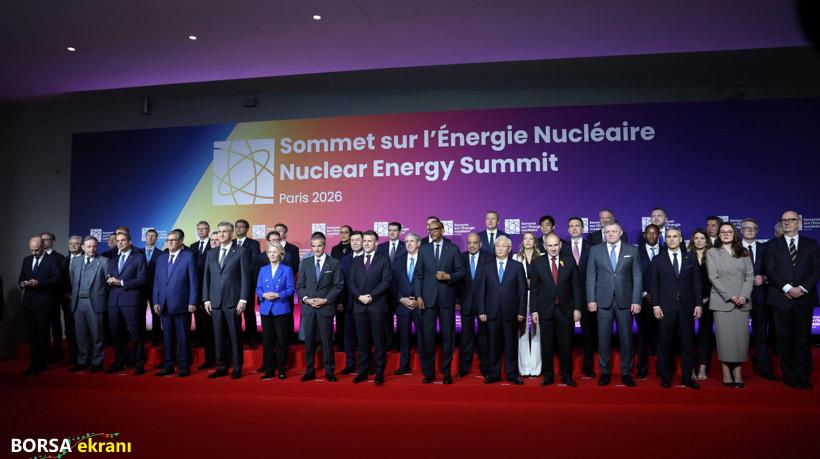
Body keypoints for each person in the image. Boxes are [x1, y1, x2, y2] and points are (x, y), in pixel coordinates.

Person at [765, 210, 820, 389]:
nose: (787, 222)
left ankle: (803, 378)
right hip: (781, 299)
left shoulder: (811, 244)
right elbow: (770, 270)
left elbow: (816, 270)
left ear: (799, 222)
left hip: (805, 299)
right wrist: (787, 288)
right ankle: (790, 378)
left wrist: (801, 289)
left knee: (803, 339)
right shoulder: (772, 245)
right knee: (784, 339)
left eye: (791, 219)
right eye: (784, 220)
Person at [586, 222, 642, 386]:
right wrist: (591, 299)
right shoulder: (595, 250)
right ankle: (605, 372)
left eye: (613, 231)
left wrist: (636, 300)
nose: (610, 234)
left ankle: (626, 373)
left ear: (620, 232)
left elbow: (637, 276)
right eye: (607, 231)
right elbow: (591, 276)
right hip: (603, 301)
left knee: (626, 339)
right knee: (603, 339)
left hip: (625, 301)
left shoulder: (632, 250)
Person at [414, 219, 466, 384]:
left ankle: (446, 373)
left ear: (442, 230)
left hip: (446, 299)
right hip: (427, 300)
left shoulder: (453, 249)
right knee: (428, 337)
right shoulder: (424, 249)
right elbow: (418, 275)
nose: (432, 232)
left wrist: (448, 276)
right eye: (429, 230)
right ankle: (429, 373)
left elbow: (461, 272)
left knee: (448, 338)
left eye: (435, 229)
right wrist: (418, 296)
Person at [649, 228, 702, 389]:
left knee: (687, 343)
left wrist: (698, 304)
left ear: (680, 239)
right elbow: (654, 284)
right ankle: (665, 377)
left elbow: (697, 283)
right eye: (669, 237)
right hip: (665, 307)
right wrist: (655, 305)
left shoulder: (690, 257)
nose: (671, 239)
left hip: (687, 307)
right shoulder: (658, 259)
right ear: (665, 240)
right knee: (665, 343)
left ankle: (687, 378)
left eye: (675, 236)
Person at [531, 233, 583, 386]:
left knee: (566, 344)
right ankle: (548, 375)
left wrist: (577, 308)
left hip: (566, 310)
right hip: (545, 310)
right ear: (545, 246)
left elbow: (576, 286)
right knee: (547, 344)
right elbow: (534, 288)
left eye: (555, 245)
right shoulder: (537, 262)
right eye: (550, 245)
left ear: (560, 245)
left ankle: (566, 375)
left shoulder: (569, 260)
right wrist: (534, 310)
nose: (553, 248)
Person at [707, 222, 753, 388]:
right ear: (719, 235)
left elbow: (749, 276)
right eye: (722, 232)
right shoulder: (712, 252)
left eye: (729, 231)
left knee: (741, 339)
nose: (726, 234)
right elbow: (713, 277)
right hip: (722, 302)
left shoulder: (744, 252)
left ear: (734, 234)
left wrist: (744, 296)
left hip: (742, 303)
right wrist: (730, 297)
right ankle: (726, 371)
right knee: (724, 340)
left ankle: (738, 372)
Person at [203, 222, 250, 380]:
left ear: (231, 234)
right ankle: (222, 366)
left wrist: (243, 299)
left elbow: (246, 277)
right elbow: (206, 278)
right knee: (218, 336)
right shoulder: (211, 253)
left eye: (225, 231)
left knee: (235, 337)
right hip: (215, 302)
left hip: (233, 301)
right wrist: (206, 299)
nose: (221, 234)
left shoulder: (241, 252)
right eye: (219, 231)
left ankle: (237, 367)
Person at [478, 235, 527, 385]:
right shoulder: (487, 267)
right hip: (491, 313)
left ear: (509, 249)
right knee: (493, 345)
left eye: (503, 246)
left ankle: (512, 374)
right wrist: (482, 311)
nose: (499, 249)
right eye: (497, 246)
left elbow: (522, 291)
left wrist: (521, 312)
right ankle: (494, 374)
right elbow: (482, 291)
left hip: (510, 313)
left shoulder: (517, 266)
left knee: (511, 345)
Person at [297, 233, 344, 382]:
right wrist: (306, 299)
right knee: (309, 341)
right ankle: (310, 370)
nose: (317, 248)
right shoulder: (305, 262)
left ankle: (329, 371)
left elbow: (338, 285)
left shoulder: (334, 263)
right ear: (311, 247)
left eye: (319, 245)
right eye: (314, 246)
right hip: (309, 308)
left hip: (325, 307)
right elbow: (300, 286)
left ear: (324, 246)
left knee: (327, 341)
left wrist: (325, 300)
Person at [152, 230, 199, 377]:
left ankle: (184, 366)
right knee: (167, 338)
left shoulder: (188, 256)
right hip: (164, 304)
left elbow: (193, 281)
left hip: (182, 304)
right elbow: (157, 282)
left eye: (173, 240)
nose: (170, 242)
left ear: (180, 241)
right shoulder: (161, 258)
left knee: (183, 337)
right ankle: (168, 366)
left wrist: (192, 301)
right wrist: (156, 301)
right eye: (168, 240)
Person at [349, 231, 393, 385]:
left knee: (379, 341)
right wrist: (359, 297)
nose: (366, 243)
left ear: (376, 243)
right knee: (362, 342)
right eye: (365, 241)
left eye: (369, 241)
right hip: (360, 306)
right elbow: (351, 282)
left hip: (377, 306)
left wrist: (371, 296)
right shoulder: (356, 260)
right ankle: (363, 371)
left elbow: (386, 281)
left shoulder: (384, 259)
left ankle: (379, 373)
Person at [105, 232, 148, 375]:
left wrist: (122, 282)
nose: (120, 243)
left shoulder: (139, 257)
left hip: (131, 300)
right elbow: (109, 277)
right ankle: (119, 361)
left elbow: (142, 279)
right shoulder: (113, 260)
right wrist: (109, 280)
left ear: (129, 242)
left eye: (123, 240)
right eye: (118, 241)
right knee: (116, 333)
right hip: (114, 301)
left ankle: (139, 363)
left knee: (136, 333)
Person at [18, 236, 61, 375]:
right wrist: (22, 283)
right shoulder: (26, 260)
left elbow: (56, 279)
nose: (34, 253)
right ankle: (33, 363)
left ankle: (42, 364)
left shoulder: (52, 260)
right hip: (28, 304)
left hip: (43, 304)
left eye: (36, 250)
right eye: (32, 250)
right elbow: (21, 277)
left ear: (43, 246)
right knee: (31, 336)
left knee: (43, 335)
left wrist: (39, 283)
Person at [741, 218, 776, 381]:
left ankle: (764, 368)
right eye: (746, 228)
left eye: (753, 228)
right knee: (738, 335)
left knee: (761, 334)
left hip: (760, 298)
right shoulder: (733, 248)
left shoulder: (765, 248)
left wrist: (765, 277)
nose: (749, 230)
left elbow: (774, 269)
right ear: (741, 230)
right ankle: (737, 370)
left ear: (757, 231)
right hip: (738, 298)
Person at [68, 236, 108, 373]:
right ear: (83, 247)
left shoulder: (103, 261)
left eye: (94, 246)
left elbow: (108, 284)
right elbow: (73, 280)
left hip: (95, 303)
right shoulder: (76, 261)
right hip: (78, 302)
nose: (92, 249)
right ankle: (82, 361)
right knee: (81, 335)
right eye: (89, 246)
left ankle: (97, 362)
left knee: (97, 335)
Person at [561, 217, 595, 377]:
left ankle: (588, 368)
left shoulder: (592, 247)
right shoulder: (562, 248)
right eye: (571, 226)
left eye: (577, 226)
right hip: (567, 299)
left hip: (587, 297)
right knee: (566, 336)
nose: (574, 228)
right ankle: (566, 370)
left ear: (583, 228)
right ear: (568, 229)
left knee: (588, 335)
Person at [455, 233, 492, 378]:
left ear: (480, 244)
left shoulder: (489, 258)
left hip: (484, 304)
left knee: (484, 337)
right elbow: (456, 281)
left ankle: (485, 367)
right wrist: (457, 300)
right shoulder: (460, 258)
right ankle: (464, 367)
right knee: (466, 337)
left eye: (475, 243)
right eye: (469, 243)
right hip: (465, 303)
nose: (472, 245)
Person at [256, 243, 295, 380]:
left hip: (281, 308)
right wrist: (263, 295)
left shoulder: (287, 270)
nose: (272, 254)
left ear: (280, 254)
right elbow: (258, 288)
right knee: (267, 341)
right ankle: (269, 370)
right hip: (266, 309)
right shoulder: (263, 270)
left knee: (281, 341)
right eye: (270, 252)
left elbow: (291, 289)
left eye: (275, 251)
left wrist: (279, 295)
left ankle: (282, 369)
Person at [392, 232, 425, 375]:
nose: (409, 244)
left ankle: (425, 366)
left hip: (420, 305)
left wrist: (419, 298)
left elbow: (429, 283)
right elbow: (392, 284)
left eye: (412, 241)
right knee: (403, 339)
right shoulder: (398, 261)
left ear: (418, 243)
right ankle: (404, 365)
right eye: (406, 242)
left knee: (422, 337)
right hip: (402, 306)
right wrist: (401, 299)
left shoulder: (426, 260)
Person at [513, 231, 542, 377]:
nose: (528, 241)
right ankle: (524, 367)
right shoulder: (516, 258)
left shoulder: (542, 257)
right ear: (522, 242)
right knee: (522, 330)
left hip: (538, 296)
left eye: (531, 239)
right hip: (521, 296)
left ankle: (535, 367)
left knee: (537, 331)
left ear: (535, 242)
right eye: (525, 238)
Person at [687, 229, 713, 381]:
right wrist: (694, 301)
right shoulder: (686, 256)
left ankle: (703, 367)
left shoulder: (713, 256)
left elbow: (715, 279)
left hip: (708, 301)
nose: (699, 241)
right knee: (687, 335)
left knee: (705, 335)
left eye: (702, 238)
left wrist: (705, 298)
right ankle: (690, 368)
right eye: (696, 238)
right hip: (689, 302)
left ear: (706, 240)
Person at [635, 224, 661, 380]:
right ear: (644, 235)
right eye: (648, 233)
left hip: (662, 301)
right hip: (642, 300)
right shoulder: (636, 252)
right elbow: (632, 275)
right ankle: (642, 368)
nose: (651, 236)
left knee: (662, 335)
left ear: (659, 235)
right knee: (643, 335)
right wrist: (644, 293)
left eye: (654, 233)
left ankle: (662, 368)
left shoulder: (665, 251)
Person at [375, 222, 405, 349]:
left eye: (395, 230)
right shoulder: (381, 247)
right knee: (386, 317)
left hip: (401, 288)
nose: (392, 232)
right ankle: (389, 341)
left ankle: (400, 342)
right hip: (385, 289)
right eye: (390, 230)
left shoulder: (406, 247)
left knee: (402, 318)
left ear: (400, 232)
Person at [339, 231, 364, 373]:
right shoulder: (345, 259)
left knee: (364, 336)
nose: (354, 242)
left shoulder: (370, 258)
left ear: (363, 241)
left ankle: (364, 365)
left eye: (358, 240)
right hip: (348, 303)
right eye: (352, 240)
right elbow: (341, 282)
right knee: (348, 335)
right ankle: (350, 364)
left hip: (365, 303)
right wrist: (340, 301)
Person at [40, 231, 67, 364]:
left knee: (55, 326)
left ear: (53, 241)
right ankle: (44, 353)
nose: (44, 242)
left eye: (46, 239)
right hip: (39, 298)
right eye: (42, 240)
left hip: (54, 298)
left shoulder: (60, 258)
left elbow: (63, 279)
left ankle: (57, 352)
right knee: (42, 327)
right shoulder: (37, 257)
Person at [234, 219, 260, 349]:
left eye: (241, 226)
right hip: (233, 284)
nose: (238, 229)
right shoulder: (231, 243)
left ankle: (252, 339)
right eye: (236, 226)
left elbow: (253, 263)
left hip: (247, 283)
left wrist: (243, 275)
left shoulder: (253, 244)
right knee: (234, 314)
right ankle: (237, 339)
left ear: (247, 229)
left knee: (249, 313)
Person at [143, 229, 164, 346]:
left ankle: (156, 338)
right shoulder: (137, 253)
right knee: (139, 314)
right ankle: (141, 338)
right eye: (148, 236)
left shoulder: (161, 254)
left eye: (153, 236)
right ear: (145, 237)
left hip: (155, 288)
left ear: (156, 238)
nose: (150, 238)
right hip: (139, 288)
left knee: (156, 314)